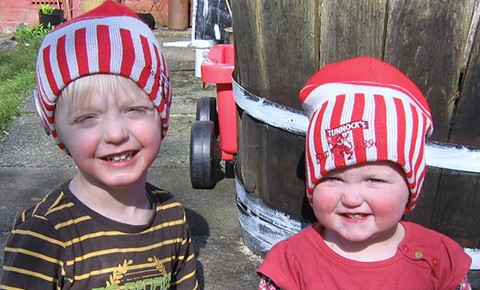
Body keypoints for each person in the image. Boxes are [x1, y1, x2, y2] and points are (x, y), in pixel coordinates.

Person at [0, 1, 198, 289]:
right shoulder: (44, 235)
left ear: (161, 114)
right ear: (58, 133)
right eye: (87, 118)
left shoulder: (171, 216)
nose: (115, 133)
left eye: (134, 110)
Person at [256, 57, 472, 289]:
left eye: (374, 179)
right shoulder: (290, 264)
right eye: (333, 178)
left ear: (411, 188)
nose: (351, 198)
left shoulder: (438, 259)